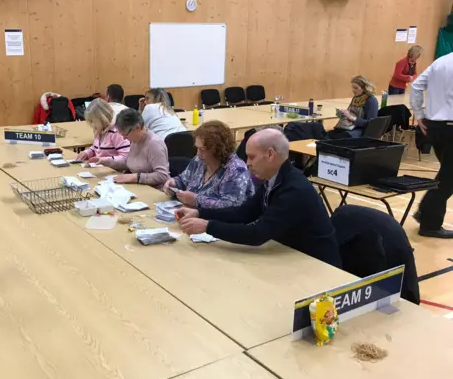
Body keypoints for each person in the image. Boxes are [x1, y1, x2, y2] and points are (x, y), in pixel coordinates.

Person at [177, 129, 342, 267]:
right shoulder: (272, 179)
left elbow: (257, 234)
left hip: (316, 265)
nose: (247, 163)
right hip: (287, 256)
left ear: (270, 155)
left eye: (251, 157)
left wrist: (207, 226)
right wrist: (200, 213)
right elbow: (243, 213)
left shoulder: (294, 190)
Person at [162, 120, 254, 209]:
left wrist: (196, 200)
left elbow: (230, 206)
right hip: (191, 214)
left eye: (202, 149)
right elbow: (183, 179)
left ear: (218, 150)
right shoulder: (200, 160)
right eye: (197, 148)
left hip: (218, 222)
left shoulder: (236, 169)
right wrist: (174, 183)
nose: (198, 153)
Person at [410, 52, 453, 239]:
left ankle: (425, 212)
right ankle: (429, 224)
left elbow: (416, 85)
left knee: (447, 174)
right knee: (448, 179)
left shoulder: (441, 61)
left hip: (435, 127)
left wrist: (419, 115)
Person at [90, 108, 169, 187]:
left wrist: (136, 177)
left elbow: (162, 176)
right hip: (139, 186)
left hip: (155, 190)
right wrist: (107, 161)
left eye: (125, 134)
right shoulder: (135, 140)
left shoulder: (154, 144)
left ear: (137, 128)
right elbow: (129, 163)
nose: (124, 138)